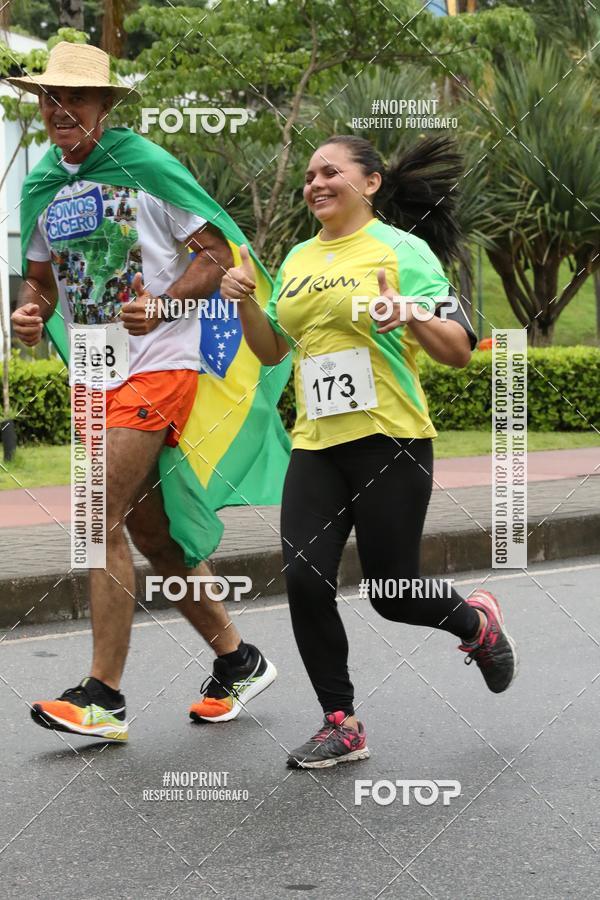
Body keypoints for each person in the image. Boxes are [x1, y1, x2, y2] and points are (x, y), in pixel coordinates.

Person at [9, 42, 279, 743]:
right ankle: (238, 659)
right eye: (48, 100)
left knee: (95, 515)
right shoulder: (41, 184)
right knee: (153, 534)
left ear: (105, 107)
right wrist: (32, 311)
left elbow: (218, 254)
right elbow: (40, 279)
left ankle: (103, 697)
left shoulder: (147, 167)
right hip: (97, 374)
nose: (59, 111)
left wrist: (160, 304)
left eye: (76, 101)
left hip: (162, 366)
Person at [221, 134, 518, 768]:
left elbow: (460, 349)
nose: (316, 183)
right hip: (316, 445)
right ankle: (340, 721)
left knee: (392, 591)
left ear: (371, 183)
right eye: (308, 175)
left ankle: (477, 624)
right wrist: (246, 303)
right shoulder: (298, 257)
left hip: (391, 440)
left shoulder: (403, 251)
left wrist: (408, 312)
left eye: (331, 171)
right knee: (304, 577)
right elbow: (274, 349)